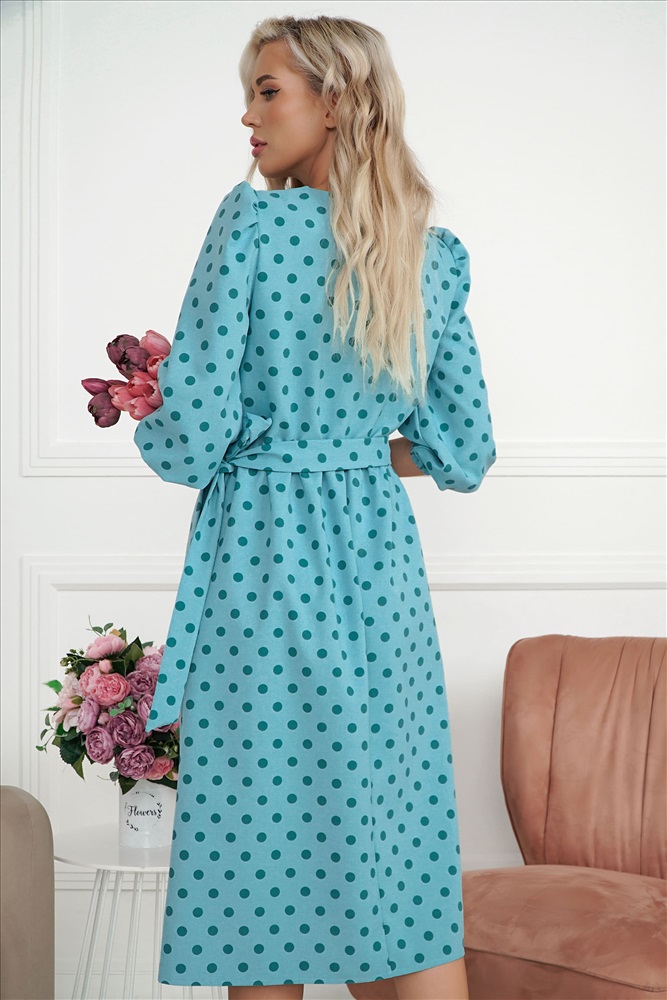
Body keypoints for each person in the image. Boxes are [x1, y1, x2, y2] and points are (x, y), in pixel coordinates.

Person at [134, 13, 496, 1000]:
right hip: (381, 576)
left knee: (261, 860)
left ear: (335, 101)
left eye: (267, 91)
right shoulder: (433, 254)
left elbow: (191, 440)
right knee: (396, 858)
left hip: (263, 565)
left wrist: (156, 411)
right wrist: (349, 452)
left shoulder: (250, 227)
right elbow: (462, 453)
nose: (247, 117)